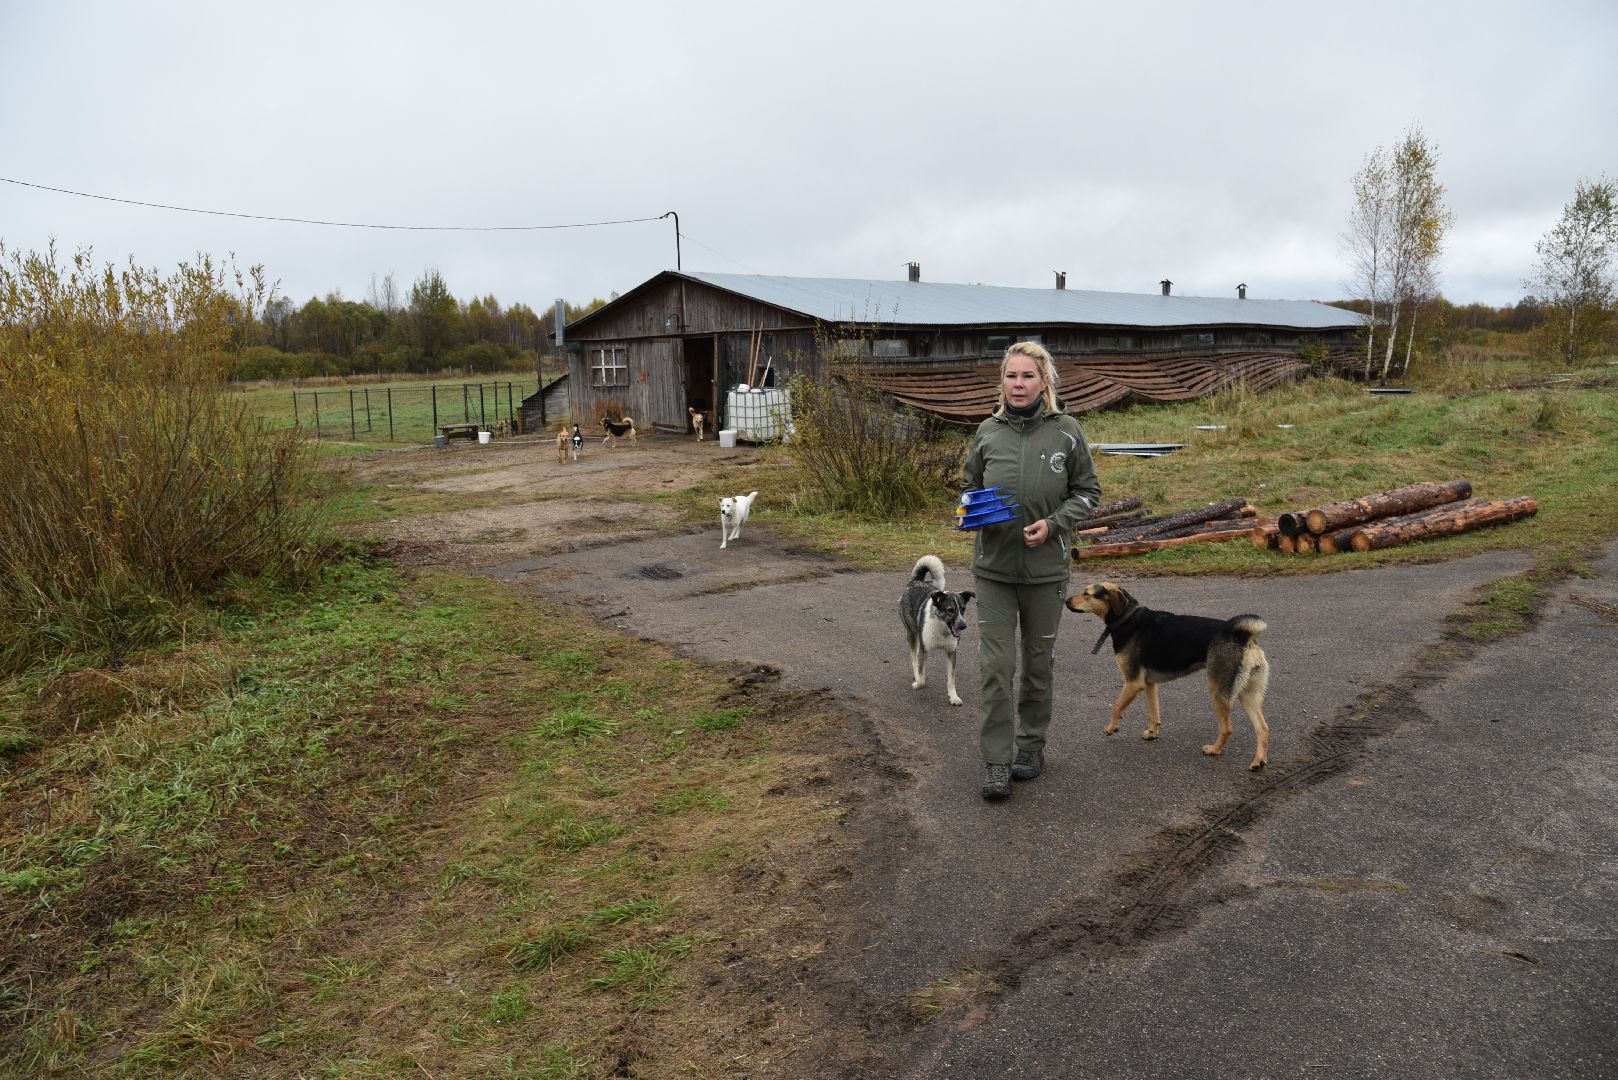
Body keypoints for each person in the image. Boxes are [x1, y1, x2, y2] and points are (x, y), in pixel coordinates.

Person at [961, 342, 1101, 800]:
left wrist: (1055, 524)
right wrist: (969, 511)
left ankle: (1030, 747)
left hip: (1045, 574)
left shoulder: (1067, 432)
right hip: (994, 571)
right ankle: (997, 762)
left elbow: (1087, 492)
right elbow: (970, 487)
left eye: (1027, 377)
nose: (1018, 385)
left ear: (1044, 382)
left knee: (1038, 666)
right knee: (996, 668)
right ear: (1001, 382)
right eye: (1010, 376)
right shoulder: (987, 431)